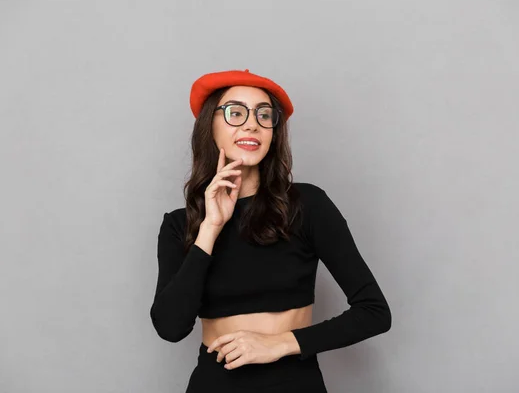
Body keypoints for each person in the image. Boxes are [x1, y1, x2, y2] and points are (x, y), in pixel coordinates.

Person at [150, 69, 392, 392]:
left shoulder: (307, 206)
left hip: (295, 383)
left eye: (264, 115)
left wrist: (278, 344)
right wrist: (210, 227)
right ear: (209, 126)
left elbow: (375, 312)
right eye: (235, 113)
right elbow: (170, 326)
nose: (252, 123)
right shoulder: (180, 224)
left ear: (273, 133)